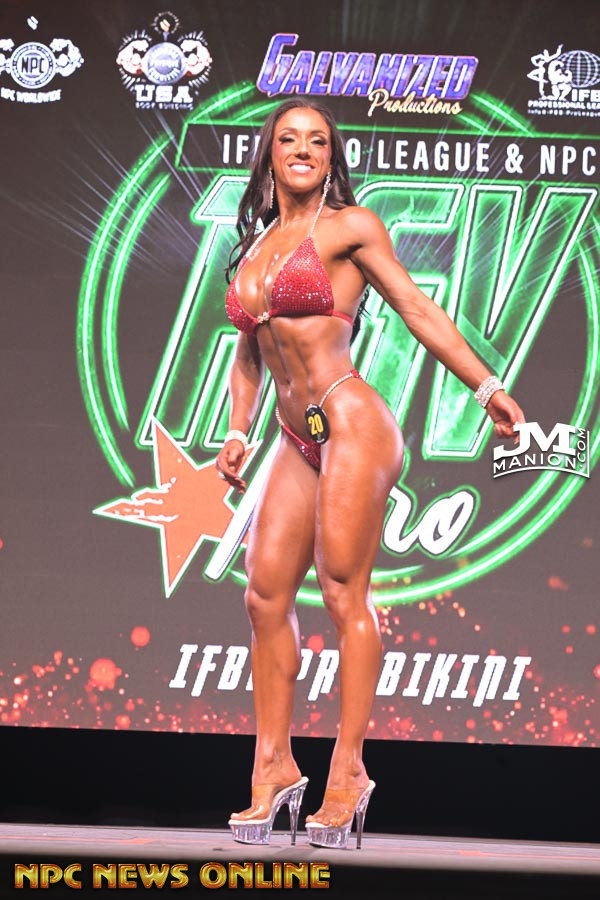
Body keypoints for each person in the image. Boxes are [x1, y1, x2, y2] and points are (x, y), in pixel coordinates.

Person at [216, 99, 524, 849]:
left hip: (351, 420)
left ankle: (348, 771)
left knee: (342, 590)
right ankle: (273, 768)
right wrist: (237, 430)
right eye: (289, 139)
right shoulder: (255, 248)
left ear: (331, 158)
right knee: (264, 594)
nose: (303, 149)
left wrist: (486, 386)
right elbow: (250, 352)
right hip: (296, 434)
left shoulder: (350, 227)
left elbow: (415, 306)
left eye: (317, 141)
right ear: (269, 154)